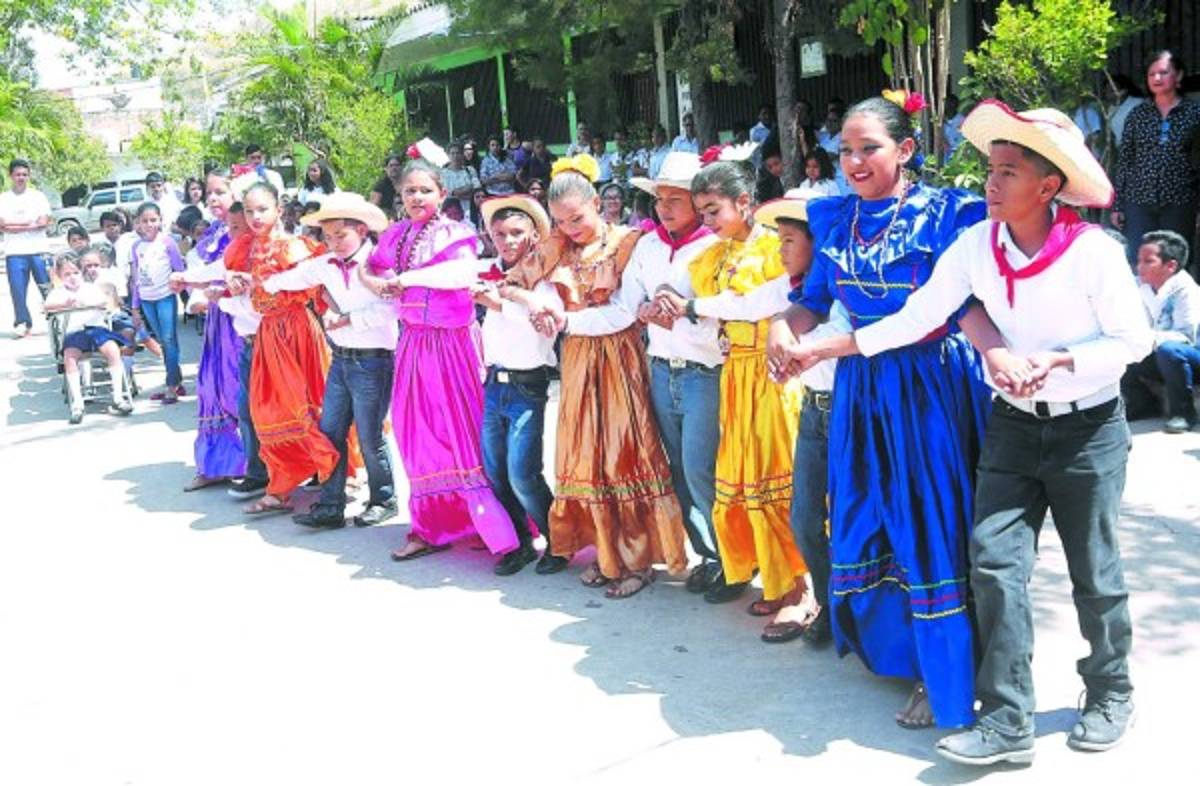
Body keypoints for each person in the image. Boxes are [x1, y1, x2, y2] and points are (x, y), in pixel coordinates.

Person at [788, 100, 1150, 766]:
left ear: (1049, 187)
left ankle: (1110, 693)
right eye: (992, 168)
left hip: (1087, 430)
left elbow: (1134, 342)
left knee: (1093, 571)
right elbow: (920, 316)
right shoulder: (975, 246)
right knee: (993, 563)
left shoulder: (1094, 253)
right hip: (1012, 426)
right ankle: (1008, 717)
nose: (991, 182)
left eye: (1009, 171)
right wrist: (824, 350)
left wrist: (1058, 361)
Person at [765, 95, 991, 729]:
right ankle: (894, 651)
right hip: (862, 391)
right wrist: (783, 331)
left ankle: (941, 672)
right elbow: (810, 299)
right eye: (846, 150)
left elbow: (952, 312)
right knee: (870, 516)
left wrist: (821, 346)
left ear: (907, 150)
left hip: (929, 389)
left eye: (871, 148)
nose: (856, 161)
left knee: (931, 521)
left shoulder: (946, 214)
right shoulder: (833, 217)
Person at [562, 151, 731, 597]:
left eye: (676, 199)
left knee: (700, 468)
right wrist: (642, 311)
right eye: (660, 199)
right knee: (675, 468)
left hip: (704, 370)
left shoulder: (715, 245)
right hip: (659, 369)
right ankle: (709, 555)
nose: (665, 207)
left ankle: (728, 558)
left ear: (698, 202)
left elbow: (727, 314)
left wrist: (683, 314)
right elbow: (626, 308)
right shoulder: (649, 245)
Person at [530, 154, 686, 599]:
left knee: (623, 454)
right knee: (587, 456)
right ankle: (607, 554)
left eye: (577, 218)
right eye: (561, 222)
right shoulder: (561, 248)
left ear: (598, 203)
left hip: (619, 359)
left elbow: (622, 314)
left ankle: (637, 562)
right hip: (578, 360)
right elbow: (521, 284)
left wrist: (563, 320)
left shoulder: (628, 243)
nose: (570, 228)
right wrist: (541, 308)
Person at [671, 161, 809, 639]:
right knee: (748, 479)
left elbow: (756, 304)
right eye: (702, 212)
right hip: (737, 375)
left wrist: (690, 306)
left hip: (775, 374)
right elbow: (709, 309)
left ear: (744, 202)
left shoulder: (777, 247)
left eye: (714, 210)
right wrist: (671, 304)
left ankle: (804, 586)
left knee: (782, 474)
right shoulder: (712, 257)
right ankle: (775, 577)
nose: (706, 221)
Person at [358, 153, 514, 561]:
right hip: (412, 342)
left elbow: (459, 276)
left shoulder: (456, 233)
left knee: (464, 430)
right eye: (409, 191)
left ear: (441, 194)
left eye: (425, 190)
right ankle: (429, 526)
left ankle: (485, 521)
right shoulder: (393, 236)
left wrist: (402, 279)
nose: (416, 197)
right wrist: (372, 281)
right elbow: (371, 271)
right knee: (417, 434)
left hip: (451, 343)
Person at [261, 193, 398, 529]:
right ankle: (331, 504)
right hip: (340, 360)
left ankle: (384, 498)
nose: (334, 242)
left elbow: (393, 307)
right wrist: (260, 279)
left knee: (369, 434)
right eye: (328, 236)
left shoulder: (380, 265)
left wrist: (350, 318)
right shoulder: (324, 264)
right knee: (330, 431)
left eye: (341, 235)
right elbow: (291, 278)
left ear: (362, 231)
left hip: (374, 360)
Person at [223, 182, 340, 515]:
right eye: (249, 211)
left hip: (299, 331)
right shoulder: (241, 250)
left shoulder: (296, 247)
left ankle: (330, 472)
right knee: (268, 410)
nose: (256, 217)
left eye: (262, 209)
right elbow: (242, 289)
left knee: (310, 402)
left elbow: (319, 287)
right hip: (269, 333)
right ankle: (282, 484)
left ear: (278, 209)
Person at [473, 194, 566, 575]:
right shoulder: (489, 271)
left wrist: (499, 304)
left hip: (528, 384)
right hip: (495, 381)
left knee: (522, 473)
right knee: (495, 471)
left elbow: (546, 315)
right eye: (500, 234)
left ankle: (557, 542)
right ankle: (521, 542)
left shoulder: (544, 275)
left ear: (532, 234)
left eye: (516, 232)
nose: (508, 241)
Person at [170, 167, 247, 492]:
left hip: (243, 324)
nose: (213, 198)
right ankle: (218, 465)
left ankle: (255, 464)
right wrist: (196, 295)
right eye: (209, 192)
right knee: (211, 388)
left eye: (220, 192)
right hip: (218, 322)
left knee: (238, 389)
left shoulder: (244, 232)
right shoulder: (215, 234)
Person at [1113, 50, 1200, 269]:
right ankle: (1143, 304)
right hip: (1138, 202)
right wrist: (1118, 204)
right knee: (1140, 261)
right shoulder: (1138, 114)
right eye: (1152, 74)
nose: (1157, 79)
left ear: (1178, 76)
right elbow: (1125, 160)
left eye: (1163, 72)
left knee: (1175, 262)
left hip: (1180, 201)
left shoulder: (1194, 113)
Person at [1122, 229, 1200, 432]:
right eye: (1139, 260)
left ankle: (1183, 413)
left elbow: (1187, 337)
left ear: (1171, 265)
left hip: (1190, 357)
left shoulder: (1186, 290)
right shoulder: (1137, 286)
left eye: (1148, 261)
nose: (1139, 267)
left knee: (1169, 349)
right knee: (1118, 344)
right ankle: (1142, 405)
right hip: (1156, 352)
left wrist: (1145, 338)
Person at [45, 254, 133, 423]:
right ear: (60, 277)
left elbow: (104, 303)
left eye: (75, 273)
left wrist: (87, 303)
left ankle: (118, 397)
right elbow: (47, 307)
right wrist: (65, 305)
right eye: (67, 275)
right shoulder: (58, 293)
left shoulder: (91, 288)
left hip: (97, 329)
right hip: (75, 333)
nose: (72, 278)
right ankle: (77, 404)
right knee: (69, 357)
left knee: (113, 350)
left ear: (81, 273)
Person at [130, 202, 187, 403]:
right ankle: (176, 380)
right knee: (163, 342)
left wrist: (185, 294)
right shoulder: (137, 247)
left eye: (153, 220)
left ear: (160, 220)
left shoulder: (167, 242)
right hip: (147, 300)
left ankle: (171, 385)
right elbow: (136, 278)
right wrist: (135, 307)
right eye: (144, 221)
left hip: (165, 297)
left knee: (169, 339)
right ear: (138, 223)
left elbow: (179, 270)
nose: (149, 224)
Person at [0, 159, 52, 338]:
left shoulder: (38, 197)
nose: (21, 178)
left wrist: (16, 226)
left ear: (28, 176)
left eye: (24, 174)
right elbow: (3, 226)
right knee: (17, 289)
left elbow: (44, 222)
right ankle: (23, 322)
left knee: (47, 287)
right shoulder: (4, 199)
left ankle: (56, 319)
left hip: (39, 249)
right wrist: (30, 223)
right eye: (17, 175)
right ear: (11, 176)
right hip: (15, 252)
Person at [443, 141, 482, 218]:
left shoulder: (470, 170)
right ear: (448, 155)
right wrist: (469, 187)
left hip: (470, 211)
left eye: (458, 153)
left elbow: (477, 190)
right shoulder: (443, 173)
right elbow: (448, 195)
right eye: (452, 153)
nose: (455, 156)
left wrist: (456, 193)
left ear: (462, 154)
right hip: (452, 214)